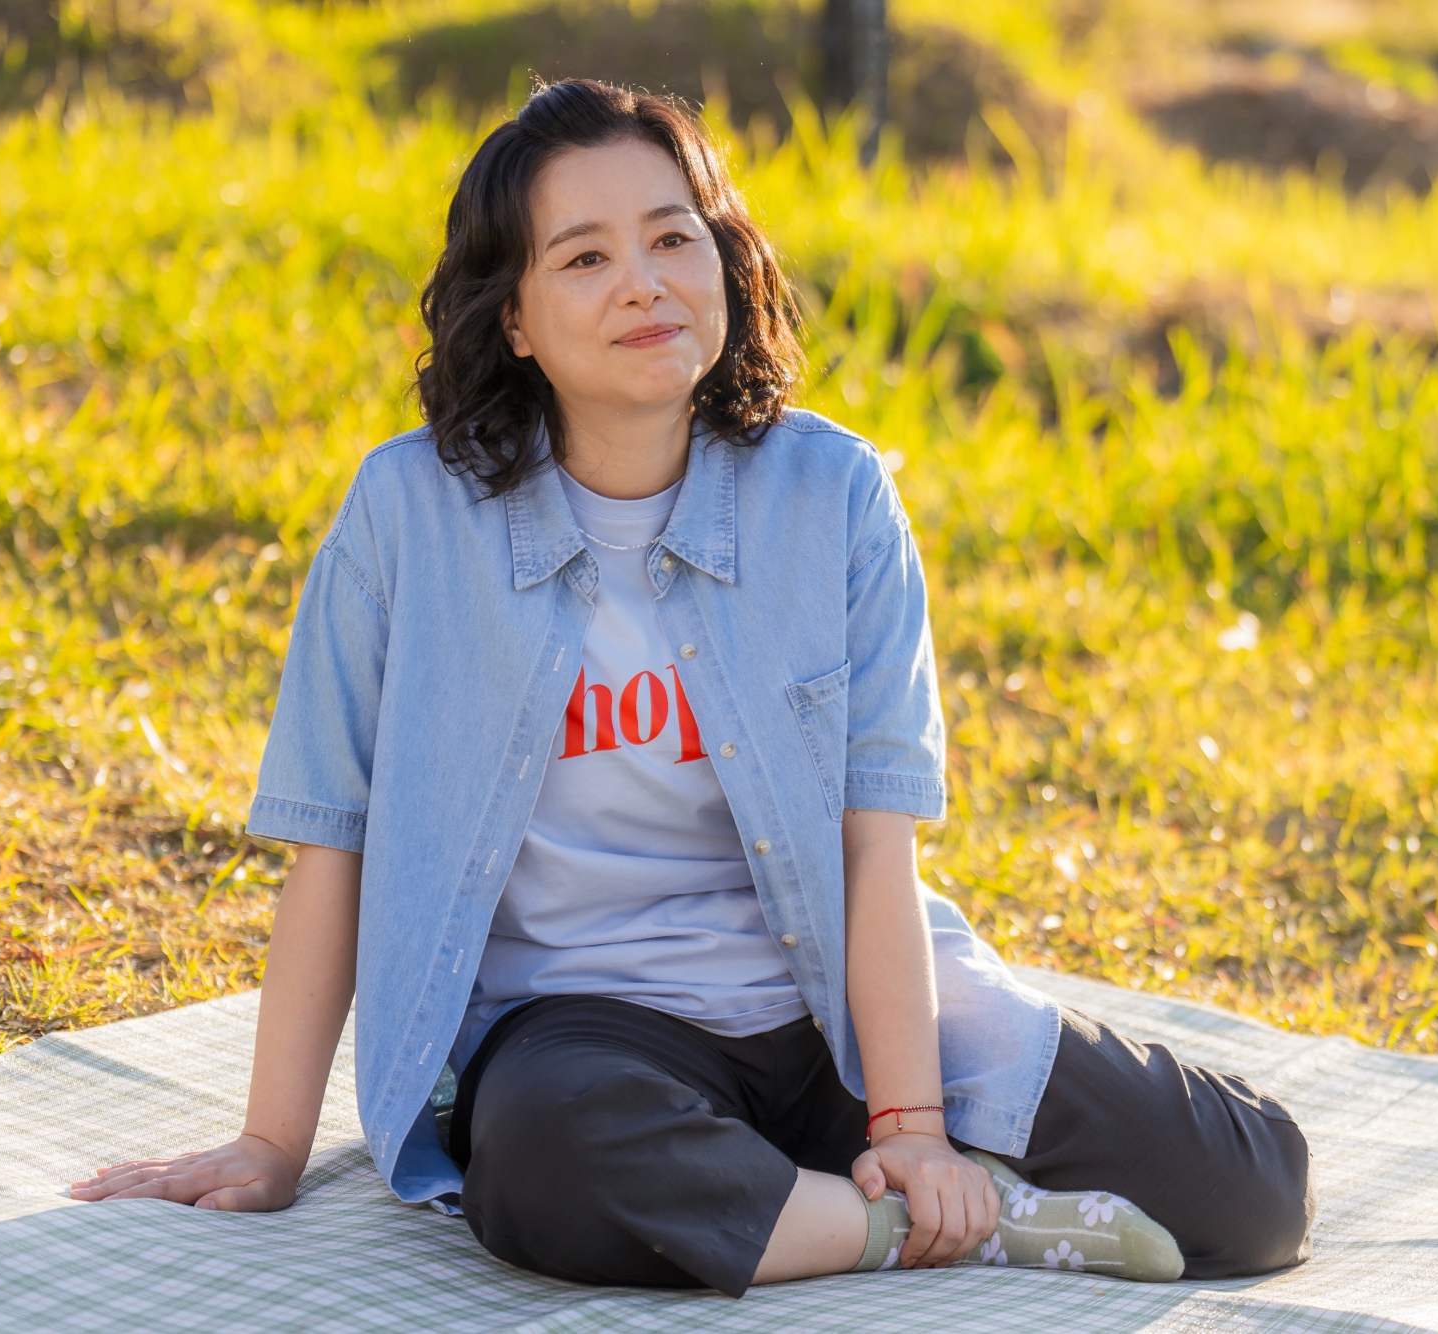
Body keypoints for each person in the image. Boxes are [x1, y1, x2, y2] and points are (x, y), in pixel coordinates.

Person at [72, 78, 1312, 1296]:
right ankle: (936, 1227)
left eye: (673, 237)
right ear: (512, 317)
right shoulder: (407, 517)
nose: (644, 283)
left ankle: (817, 1188)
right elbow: (330, 845)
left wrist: (913, 1119)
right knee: (546, 1165)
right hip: (588, 1032)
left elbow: (874, 848)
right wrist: (271, 1143)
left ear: (723, 260)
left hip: (832, 1002)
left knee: (1252, 1192)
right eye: (583, 258)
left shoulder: (832, 496)